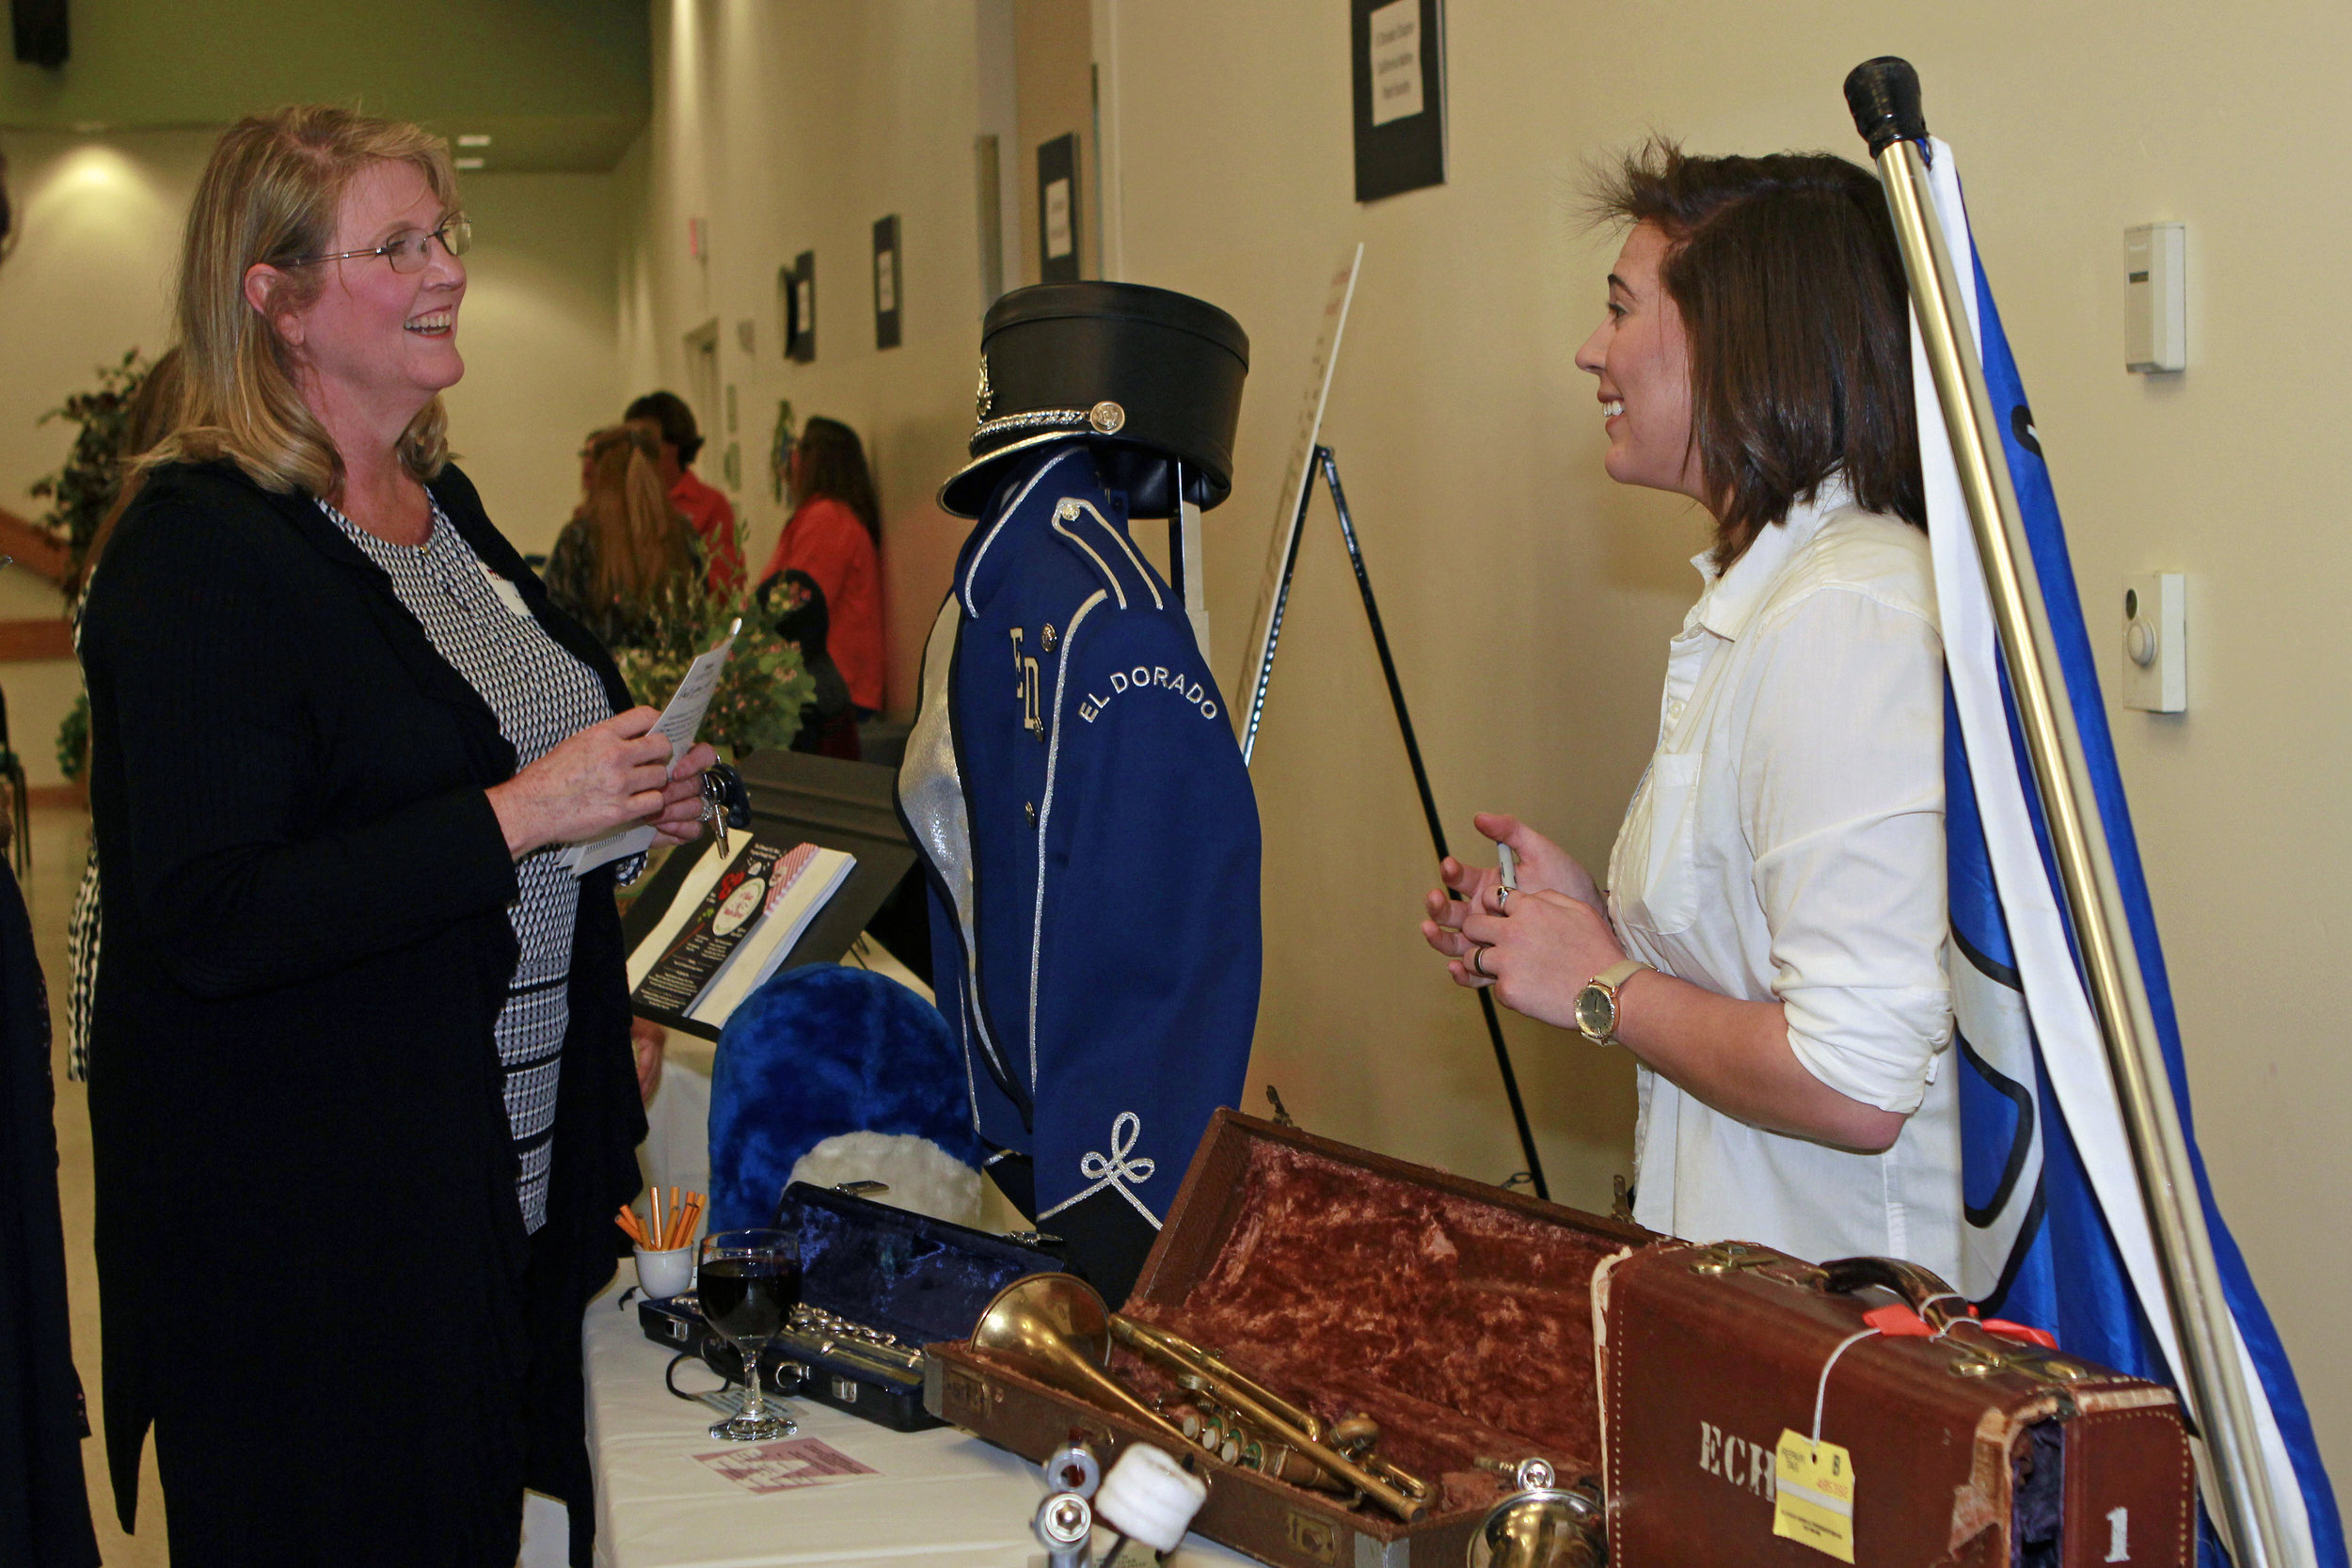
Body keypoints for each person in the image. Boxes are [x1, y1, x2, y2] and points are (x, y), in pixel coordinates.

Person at [77, 106, 717, 1566]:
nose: (448, 271)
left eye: (448, 236)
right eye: (399, 244)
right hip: (321, 1248)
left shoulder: (444, 509)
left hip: (496, 1190)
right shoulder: (196, 550)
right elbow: (217, 912)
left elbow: (487, 780)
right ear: (277, 297)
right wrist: (528, 812)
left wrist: (620, 805)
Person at [1420, 144, 1959, 1281]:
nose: (1589, 351)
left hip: (1852, 1346)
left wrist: (1602, 988)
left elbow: (1856, 1078)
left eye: (1620, 310)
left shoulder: (1846, 616)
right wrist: (1583, 935)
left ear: (1735, 344)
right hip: (1749, 1311)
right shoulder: (1769, 600)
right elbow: (1755, 977)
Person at [758, 416, 884, 718]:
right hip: (831, 688)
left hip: (835, 694)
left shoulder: (827, 519)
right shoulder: (827, 517)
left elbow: (796, 607)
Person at [543, 423, 703, 650]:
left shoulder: (580, 537)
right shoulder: (682, 533)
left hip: (600, 678)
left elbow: (552, 617)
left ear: (600, 473)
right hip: (672, 676)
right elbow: (699, 616)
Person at [625, 389, 742, 594]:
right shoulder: (621, 501)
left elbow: (724, 583)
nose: (635, 453)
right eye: (630, 443)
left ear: (674, 445)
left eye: (645, 442)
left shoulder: (710, 504)